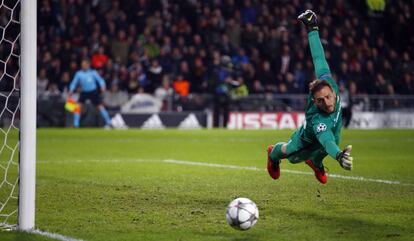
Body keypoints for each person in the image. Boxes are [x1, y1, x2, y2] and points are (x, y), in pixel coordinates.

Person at [266, 10, 353, 184]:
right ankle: (272, 154)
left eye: (329, 97)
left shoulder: (329, 83)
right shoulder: (317, 119)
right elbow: (326, 140)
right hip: (306, 140)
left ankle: (316, 163)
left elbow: (318, 58)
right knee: (291, 154)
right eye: (321, 100)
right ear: (315, 101)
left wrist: (313, 28)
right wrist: (338, 155)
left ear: (334, 91)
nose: (328, 103)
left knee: (332, 141)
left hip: (333, 130)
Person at [68, 59, 112, 128]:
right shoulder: (79, 74)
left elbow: (100, 80)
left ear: (88, 65)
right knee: (77, 107)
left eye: (84, 64)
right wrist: (71, 90)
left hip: (93, 92)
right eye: (82, 64)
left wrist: (103, 86)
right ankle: (76, 125)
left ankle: (109, 122)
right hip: (84, 92)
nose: (83, 66)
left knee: (100, 107)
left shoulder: (93, 72)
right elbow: (74, 83)